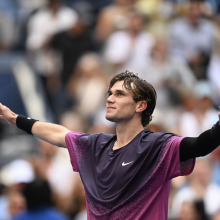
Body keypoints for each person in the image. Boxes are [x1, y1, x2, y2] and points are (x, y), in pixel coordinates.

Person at [1, 71, 220, 220]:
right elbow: (59, 134)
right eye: (110, 93)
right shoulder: (95, 144)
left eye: (120, 94)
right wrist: (14, 118)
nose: (110, 99)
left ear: (140, 106)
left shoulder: (159, 146)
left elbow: (201, 145)